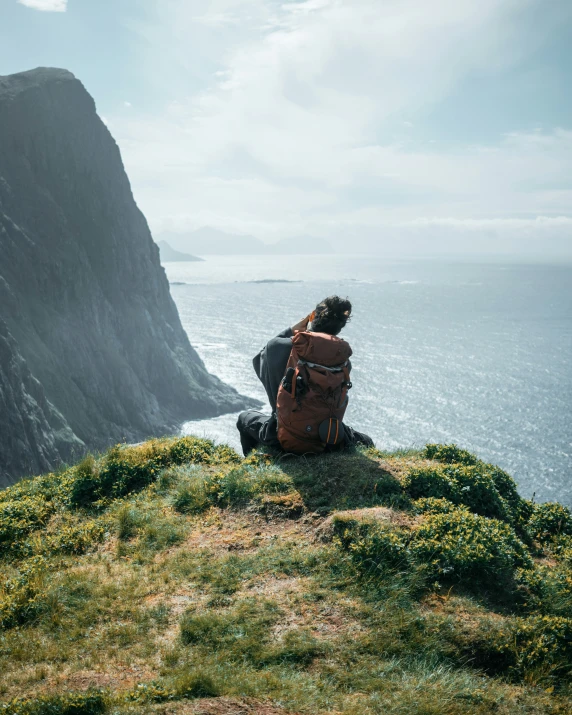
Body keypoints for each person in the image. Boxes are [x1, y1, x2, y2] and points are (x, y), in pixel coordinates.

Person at [236, 295, 374, 456]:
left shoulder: (278, 347)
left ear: (313, 316)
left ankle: (263, 461)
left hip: (281, 436)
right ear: (341, 327)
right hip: (328, 437)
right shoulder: (343, 361)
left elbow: (259, 363)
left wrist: (288, 331)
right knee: (367, 441)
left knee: (244, 418)